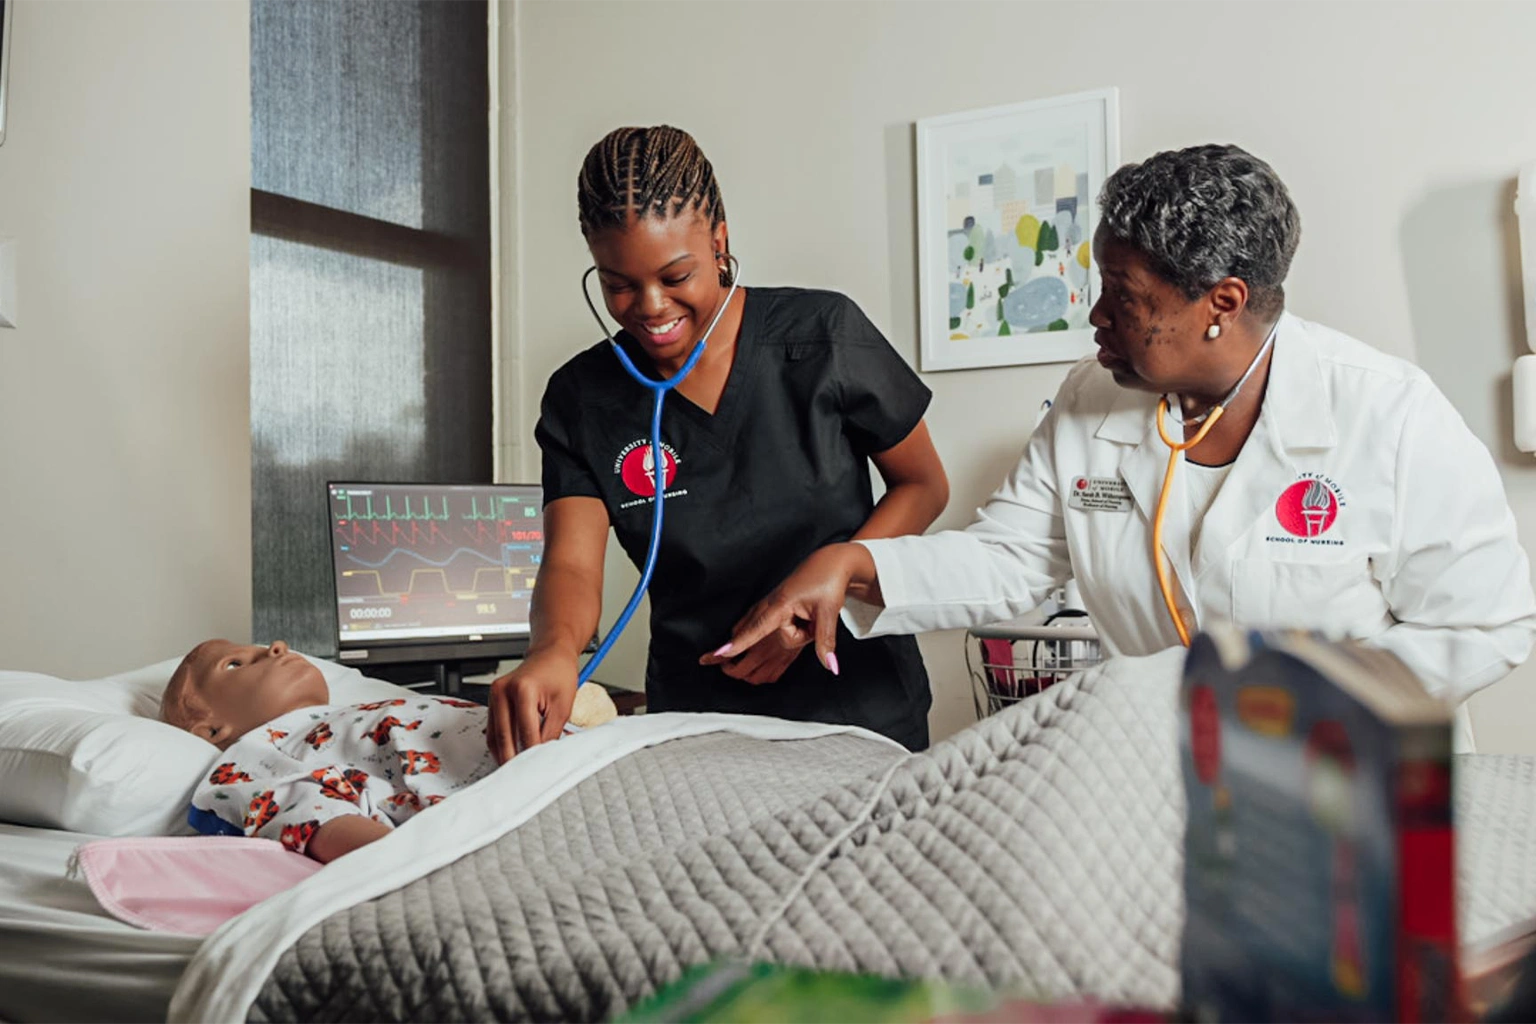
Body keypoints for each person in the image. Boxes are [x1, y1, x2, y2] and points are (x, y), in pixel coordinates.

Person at [710, 144, 1536, 717]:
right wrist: (853, 563)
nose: (1096, 316)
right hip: (1170, 776)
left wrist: (1317, 712)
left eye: (1124, 296)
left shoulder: (1386, 414)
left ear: (1223, 302)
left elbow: (1488, 623)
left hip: (1356, 783)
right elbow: (1013, 557)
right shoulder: (1093, 398)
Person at [488, 125, 948, 761]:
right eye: (618, 283)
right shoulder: (582, 398)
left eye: (677, 274)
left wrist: (824, 594)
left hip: (856, 704)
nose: (650, 307)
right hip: (694, 720)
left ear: (720, 242)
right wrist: (553, 652)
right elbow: (570, 561)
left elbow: (924, 485)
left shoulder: (822, 336)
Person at [161, 639, 617, 862]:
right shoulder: (255, 759)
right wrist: (427, 868)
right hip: (534, 806)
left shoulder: (353, 713)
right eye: (235, 663)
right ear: (211, 729)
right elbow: (307, 814)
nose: (275, 646)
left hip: (592, 760)